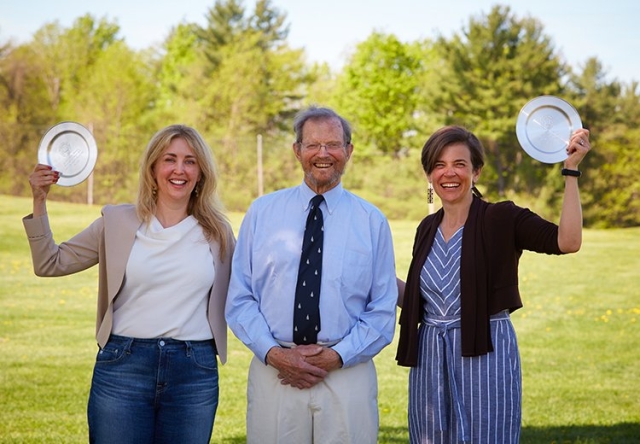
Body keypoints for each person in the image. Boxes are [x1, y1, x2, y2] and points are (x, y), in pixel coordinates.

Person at [23, 124, 235, 444]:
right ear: (152, 168)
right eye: (169, 159)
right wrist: (39, 200)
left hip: (194, 371)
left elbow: (247, 292)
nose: (179, 169)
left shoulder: (218, 232)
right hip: (124, 366)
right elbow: (50, 263)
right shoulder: (117, 222)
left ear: (201, 173)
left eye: (190, 161)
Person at [396, 125, 591, 443]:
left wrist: (571, 171)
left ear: (476, 171)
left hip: (485, 352)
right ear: (429, 174)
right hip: (430, 360)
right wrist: (378, 278)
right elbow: (425, 303)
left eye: (460, 164)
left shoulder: (501, 218)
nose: (450, 173)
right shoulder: (426, 228)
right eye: (439, 165)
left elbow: (567, 241)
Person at [225, 106, 398, 444]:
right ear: (297, 150)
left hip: (347, 371)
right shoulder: (262, 212)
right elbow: (240, 296)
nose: (323, 154)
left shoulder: (371, 220)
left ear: (348, 151)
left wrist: (337, 356)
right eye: (313, 145)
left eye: (333, 144)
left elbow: (382, 307)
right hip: (275, 372)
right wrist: (276, 355)